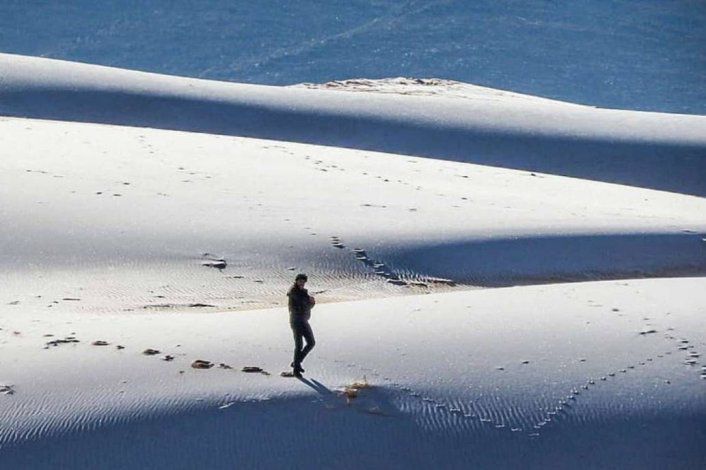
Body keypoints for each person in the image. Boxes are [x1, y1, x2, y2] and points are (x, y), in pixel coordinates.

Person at [287, 273, 316, 377]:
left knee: (311, 343)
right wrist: (309, 302)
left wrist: (311, 303)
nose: (302, 283)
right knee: (299, 345)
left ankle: (296, 363)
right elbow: (301, 306)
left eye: (303, 281)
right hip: (296, 321)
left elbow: (306, 307)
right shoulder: (293, 292)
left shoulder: (303, 292)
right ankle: (296, 370)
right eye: (300, 281)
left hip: (303, 320)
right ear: (296, 281)